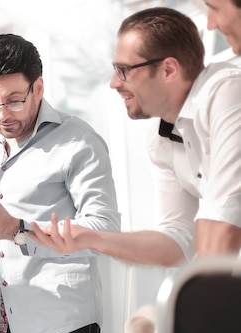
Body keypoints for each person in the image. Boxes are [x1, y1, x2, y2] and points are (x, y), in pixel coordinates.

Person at [30, 7, 241, 260]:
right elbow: (177, 237)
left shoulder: (228, 92)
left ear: (169, 70)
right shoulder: (160, 139)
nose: (114, 83)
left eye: (124, 70)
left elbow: (226, 215)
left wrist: (201, 297)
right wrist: (92, 238)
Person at [0, 34, 121, 333]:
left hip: (62, 326)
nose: (2, 114)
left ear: (39, 88)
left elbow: (107, 231)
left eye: (14, 99)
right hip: (5, 329)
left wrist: (19, 230)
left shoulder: (80, 142)